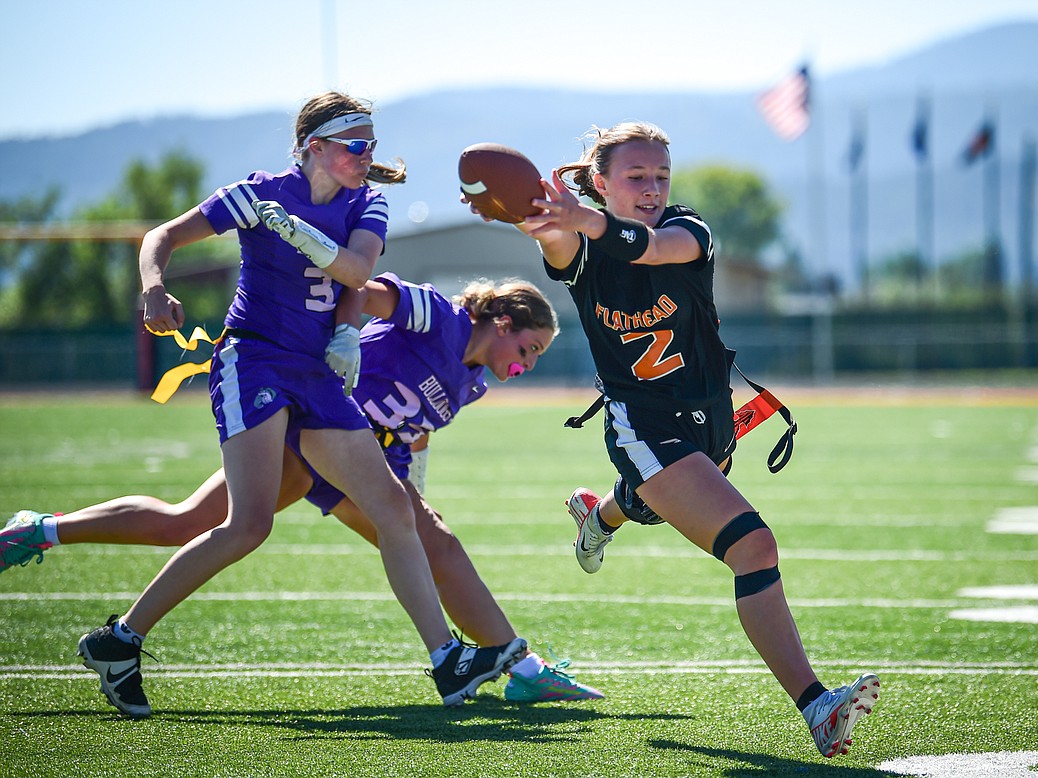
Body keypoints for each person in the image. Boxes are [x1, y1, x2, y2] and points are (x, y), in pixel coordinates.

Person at [69, 91, 526, 718]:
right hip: (253, 358)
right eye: (355, 146)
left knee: (396, 509)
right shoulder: (260, 193)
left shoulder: (369, 200)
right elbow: (163, 236)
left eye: (370, 145)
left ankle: (447, 661)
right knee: (247, 524)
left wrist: (338, 321)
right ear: (315, 147)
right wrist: (153, 286)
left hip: (316, 372)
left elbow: (357, 272)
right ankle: (120, 640)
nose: (367, 157)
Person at [470, 121, 880, 759]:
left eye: (661, 175)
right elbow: (556, 237)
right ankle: (818, 706)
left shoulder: (688, 232)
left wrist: (585, 218)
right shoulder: (581, 247)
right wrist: (526, 211)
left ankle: (600, 512)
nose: (653, 187)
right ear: (601, 183)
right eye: (636, 177)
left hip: (709, 420)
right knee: (752, 544)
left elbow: (649, 249)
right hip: (646, 424)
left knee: (649, 501)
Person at [2, 274, 602, 704]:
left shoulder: (471, 382)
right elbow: (366, 291)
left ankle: (48, 539)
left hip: (346, 456)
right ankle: (505, 666)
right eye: (528, 349)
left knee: (428, 539)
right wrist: (337, 332)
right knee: (192, 525)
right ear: (502, 322)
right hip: (309, 426)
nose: (527, 364)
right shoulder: (438, 316)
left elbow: (414, 434)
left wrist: (415, 489)